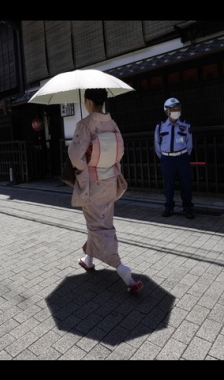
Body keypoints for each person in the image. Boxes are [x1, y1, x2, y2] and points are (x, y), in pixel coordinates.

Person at [68, 88, 143, 293]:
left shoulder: (85, 124)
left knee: (98, 226)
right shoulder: (112, 123)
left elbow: (76, 156)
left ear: (88, 102)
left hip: (93, 183)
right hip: (110, 180)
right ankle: (88, 259)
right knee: (101, 221)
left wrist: (85, 165)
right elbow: (120, 151)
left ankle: (122, 270)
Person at [154, 97, 194, 219]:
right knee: (168, 185)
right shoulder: (160, 126)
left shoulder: (185, 125)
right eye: (173, 109)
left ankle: (188, 208)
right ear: (167, 111)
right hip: (167, 159)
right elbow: (157, 145)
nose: (176, 111)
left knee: (186, 184)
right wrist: (165, 157)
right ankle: (168, 208)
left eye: (178, 108)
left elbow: (189, 144)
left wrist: (183, 155)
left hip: (182, 158)